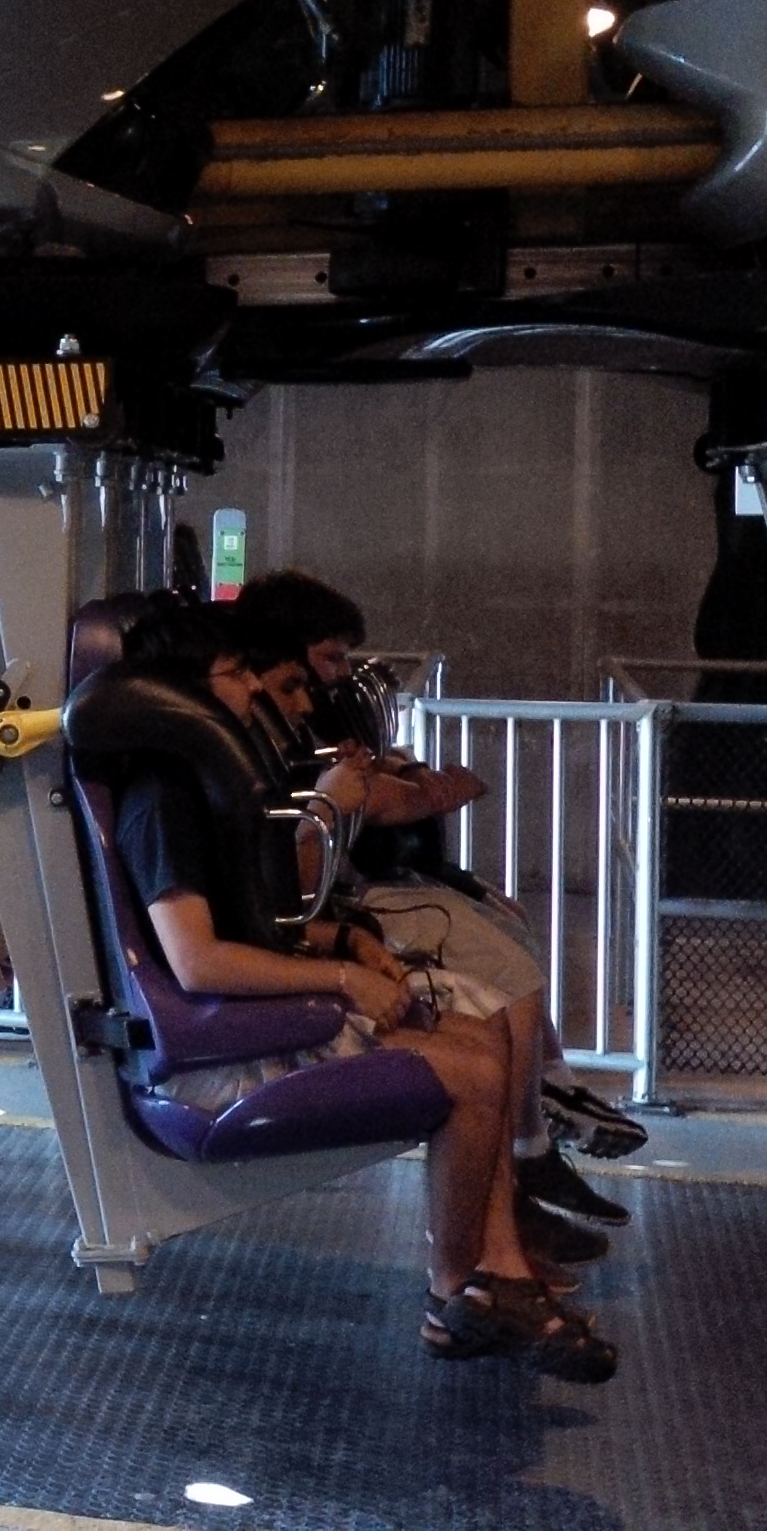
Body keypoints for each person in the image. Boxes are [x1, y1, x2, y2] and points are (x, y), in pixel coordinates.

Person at [109, 602, 618, 1380]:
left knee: (483, 1034)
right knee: (473, 1073)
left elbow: (257, 919)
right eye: (236, 675)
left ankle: (495, 1275)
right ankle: (457, 1291)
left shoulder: (205, 786)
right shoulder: (162, 802)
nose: (255, 690)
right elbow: (198, 963)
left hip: (256, 1018)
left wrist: (349, 944)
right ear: (182, 695)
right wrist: (342, 978)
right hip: (215, 1060)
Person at [236, 569, 647, 1238]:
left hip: (345, 910)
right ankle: (516, 1171)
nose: (316, 695)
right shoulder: (257, 762)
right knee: (497, 1004)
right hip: (349, 906)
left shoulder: (292, 737)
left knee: (504, 959)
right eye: (316, 669)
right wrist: (370, 806)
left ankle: (530, 1138)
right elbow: (273, 905)